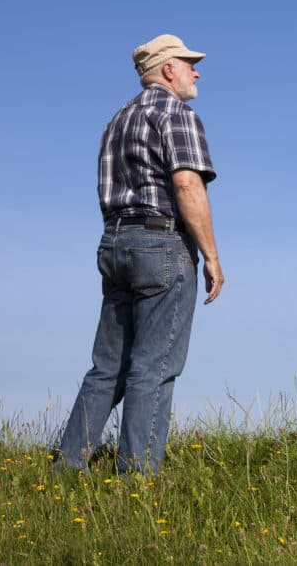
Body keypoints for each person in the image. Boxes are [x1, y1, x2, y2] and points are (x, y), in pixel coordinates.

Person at [56, 34, 224, 473]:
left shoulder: (116, 121)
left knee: (106, 368)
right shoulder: (177, 114)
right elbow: (187, 184)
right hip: (161, 242)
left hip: (114, 243)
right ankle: (139, 479)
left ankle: (66, 469)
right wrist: (211, 256)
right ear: (168, 69)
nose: (196, 71)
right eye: (189, 63)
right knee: (155, 366)